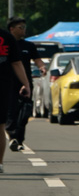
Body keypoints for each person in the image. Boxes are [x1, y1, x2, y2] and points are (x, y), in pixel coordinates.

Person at [0, 24, 32, 172]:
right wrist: (26, 84)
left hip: (3, 85)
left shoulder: (7, 38)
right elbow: (17, 63)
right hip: (3, 85)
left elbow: (17, 63)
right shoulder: (7, 37)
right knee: (0, 126)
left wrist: (26, 84)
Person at [5, 18, 40, 149]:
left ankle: (18, 139)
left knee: (25, 111)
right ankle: (13, 136)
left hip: (26, 83)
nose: (24, 30)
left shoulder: (29, 46)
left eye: (24, 27)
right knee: (11, 110)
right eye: (21, 27)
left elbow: (37, 60)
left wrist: (42, 67)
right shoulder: (5, 44)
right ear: (12, 29)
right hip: (9, 82)